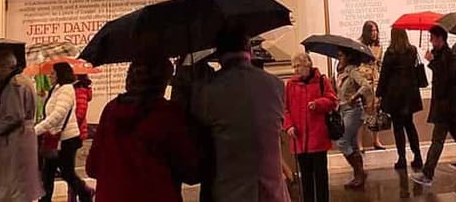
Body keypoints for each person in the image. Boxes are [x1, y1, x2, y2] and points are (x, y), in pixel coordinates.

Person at [191, 27, 290, 202]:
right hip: (272, 191)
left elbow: (200, 137)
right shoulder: (276, 85)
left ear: (218, 53)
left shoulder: (208, 90)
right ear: (249, 49)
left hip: (229, 191)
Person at [86, 56, 200, 202]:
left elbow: (92, 167)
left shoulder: (111, 110)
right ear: (161, 82)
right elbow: (191, 172)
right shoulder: (168, 114)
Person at [410, 24, 456, 187]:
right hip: (447, 106)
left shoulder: (450, 56)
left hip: (447, 106)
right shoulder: (441, 55)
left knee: (438, 140)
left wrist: (432, 63)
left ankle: (427, 174)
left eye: (432, 38)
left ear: (440, 39)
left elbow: (446, 79)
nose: (431, 41)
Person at [0, 49, 44, 202]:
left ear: (6, 67)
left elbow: (14, 116)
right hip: (23, 138)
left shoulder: (14, 84)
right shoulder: (23, 79)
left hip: (16, 140)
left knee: (14, 187)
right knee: (20, 186)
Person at [282, 52, 338, 202]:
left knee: (320, 177)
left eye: (298, 66)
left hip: (318, 137)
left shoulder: (321, 80)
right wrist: (289, 126)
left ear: (308, 64)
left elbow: (332, 100)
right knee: (305, 178)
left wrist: (318, 103)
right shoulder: (291, 84)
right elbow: (285, 108)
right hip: (299, 139)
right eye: (294, 67)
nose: (296, 70)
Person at [36, 60, 93, 202]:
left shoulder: (67, 89)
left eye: (53, 73)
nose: (50, 76)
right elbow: (50, 113)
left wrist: (36, 130)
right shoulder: (56, 89)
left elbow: (58, 115)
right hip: (54, 137)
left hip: (66, 139)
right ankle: (45, 199)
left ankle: (85, 192)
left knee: (67, 173)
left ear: (60, 74)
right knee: (47, 173)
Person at [375, 26, 424, 171]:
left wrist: (379, 94)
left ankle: (402, 158)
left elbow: (384, 76)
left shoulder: (390, 53)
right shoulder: (412, 50)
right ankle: (418, 156)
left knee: (398, 128)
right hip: (410, 93)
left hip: (394, 94)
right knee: (410, 125)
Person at [334, 48, 373, 190]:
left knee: (342, 141)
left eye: (341, 55)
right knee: (352, 143)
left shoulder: (352, 71)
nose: (338, 57)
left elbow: (366, 85)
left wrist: (355, 96)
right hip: (343, 110)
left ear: (348, 56)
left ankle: (360, 173)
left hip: (353, 110)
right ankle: (359, 176)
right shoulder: (341, 72)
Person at [357, 21, 386, 151]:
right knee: (362, 113)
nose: (374, 33)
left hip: (375, 81)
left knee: (375, 112)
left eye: (376, 30)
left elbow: (380, 64)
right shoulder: (359, 45)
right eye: (372, 31)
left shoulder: (379, 47)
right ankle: (359, 143)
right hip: (363, 81)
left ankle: (376, 140)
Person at [74, 74, 92, 141]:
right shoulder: (79, 90)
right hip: (77, 130)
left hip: (77, 131)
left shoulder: (80, 91)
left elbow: (80, 113)